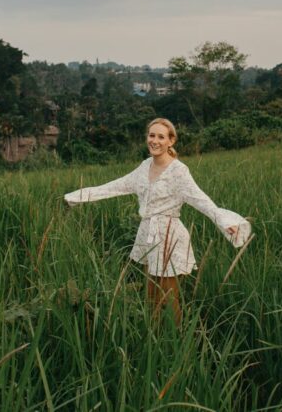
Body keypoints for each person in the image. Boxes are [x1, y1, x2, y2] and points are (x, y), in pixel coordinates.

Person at [64, 117, 252, 324]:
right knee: (150, 298)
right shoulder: (144, 167)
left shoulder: (179, 171)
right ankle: (154, 340)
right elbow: (115, 186)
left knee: (169, 300)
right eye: (151, 135)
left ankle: (178, 341)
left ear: (171, 141)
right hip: (147, 236)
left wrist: (226, 222)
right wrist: (75, 197)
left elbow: (201, 200)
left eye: (161, 137)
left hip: (170, 237)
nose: (155, 141)